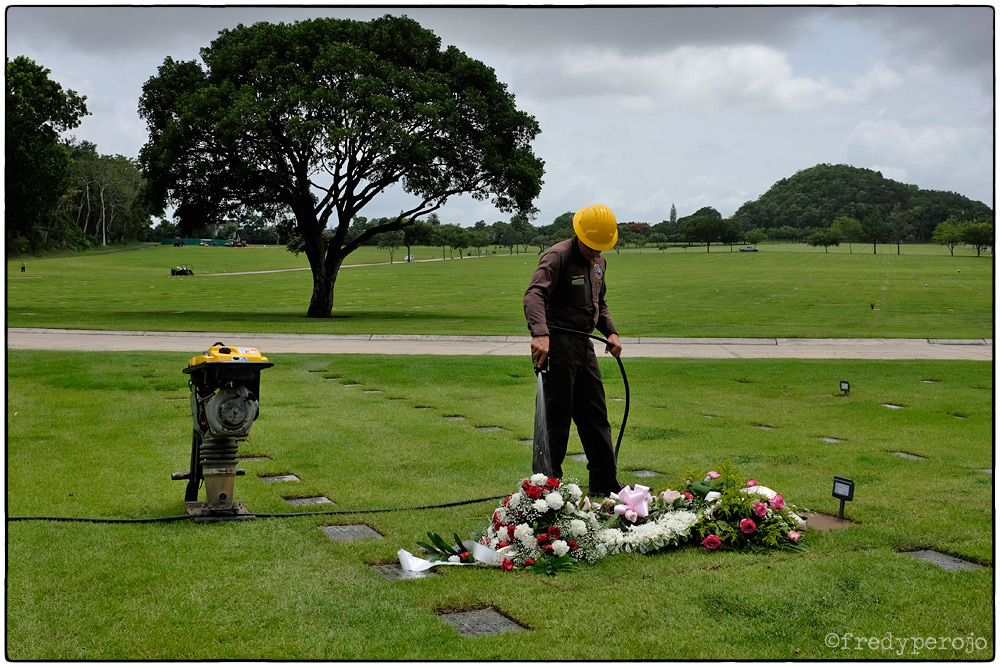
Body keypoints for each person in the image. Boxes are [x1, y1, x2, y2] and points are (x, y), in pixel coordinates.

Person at [523, 204, 624, 497]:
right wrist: (540, 333)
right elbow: (534, 294)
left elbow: (599, 305)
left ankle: (605, 483)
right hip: (556, 347)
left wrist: (611, 332)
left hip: (584, 345)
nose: (596, 251)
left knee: (596, 415)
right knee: (555, 420)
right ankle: (545, 490)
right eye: (592, 245)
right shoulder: (558, 256)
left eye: (601, 247)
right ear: (579, 234)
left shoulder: (599, 263)